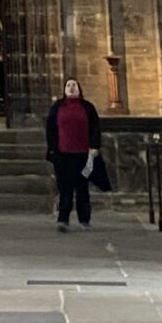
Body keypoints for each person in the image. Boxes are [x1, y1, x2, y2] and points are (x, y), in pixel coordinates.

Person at [45, 76, 104, 230]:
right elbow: (50, 129)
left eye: (74, 85)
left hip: (83, 154)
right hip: (63, 154)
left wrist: (95, 146)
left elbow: (95, 128)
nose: (71, 88)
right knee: (65, 188)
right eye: (68, 85)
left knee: (82, 187)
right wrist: (52, 149)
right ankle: (63, 219)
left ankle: (84, 219)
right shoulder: (57, 107)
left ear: (79, 89)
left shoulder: (88, 107)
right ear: (65, 89)